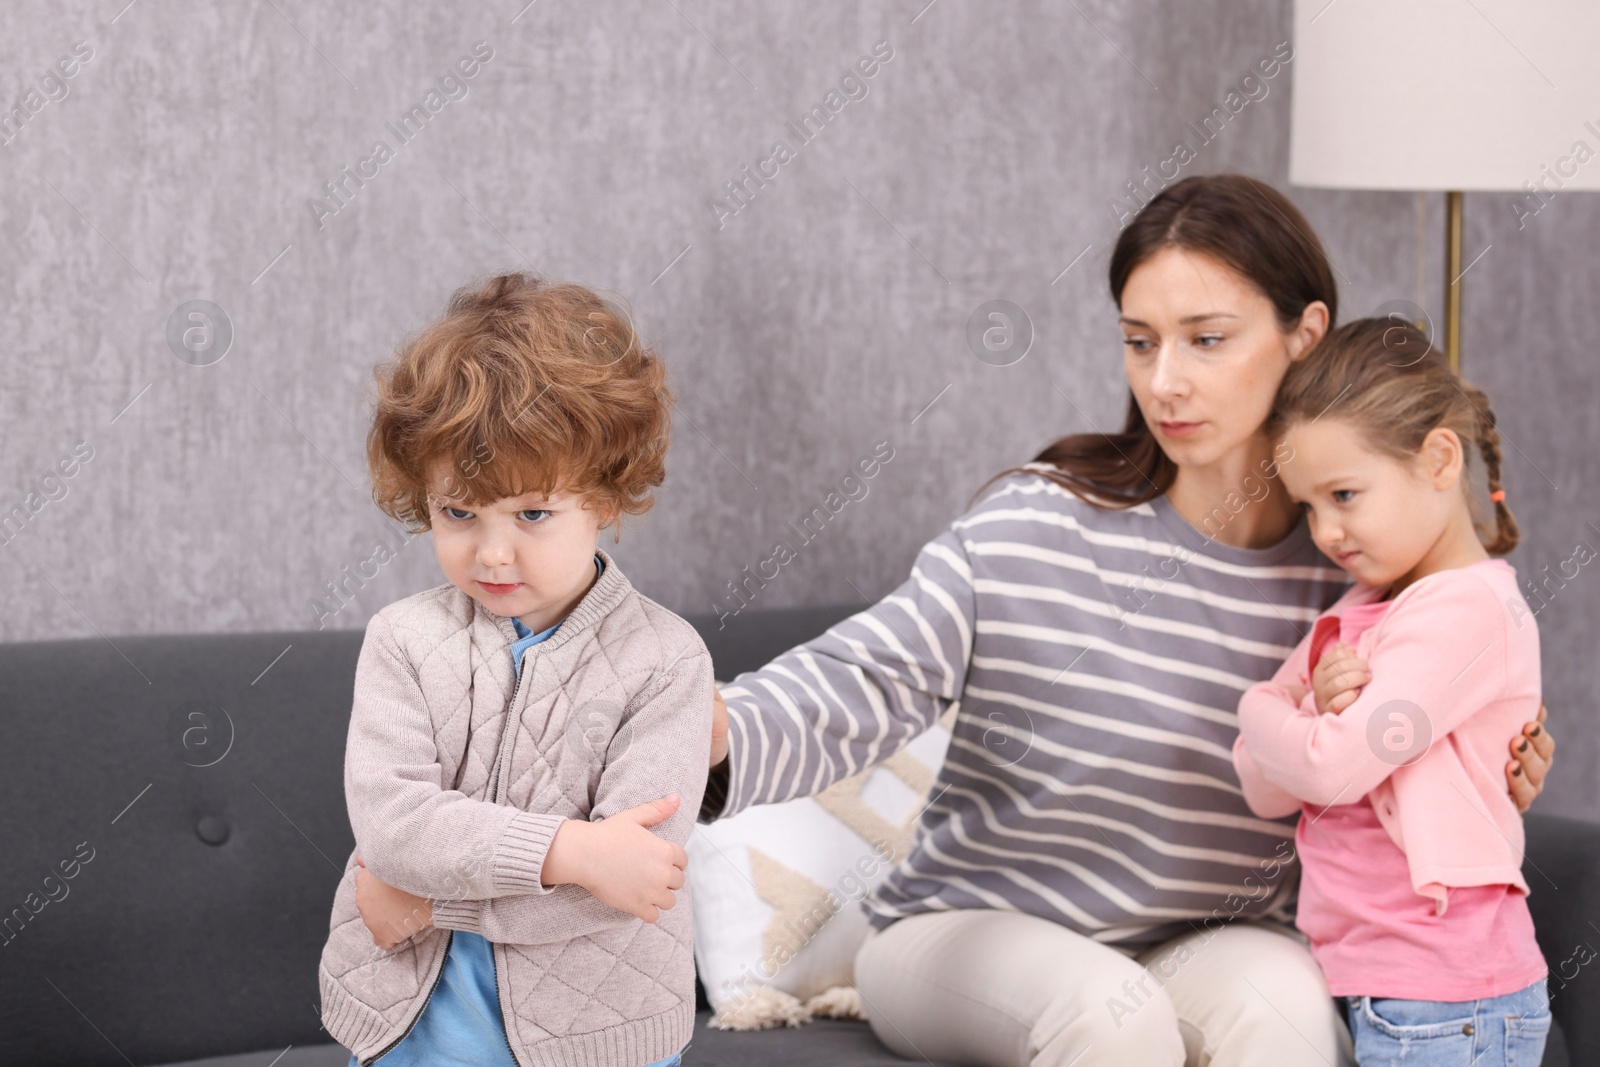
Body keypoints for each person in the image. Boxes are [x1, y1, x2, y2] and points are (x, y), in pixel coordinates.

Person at [696, 174, 1556, 1066]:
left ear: (1305, 335)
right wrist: (713, 726)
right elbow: (869, 678)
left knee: (1286, 1013)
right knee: (1113, 1017)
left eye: (1207, 340)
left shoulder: (1350, 572)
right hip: (965, 931)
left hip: (1208, 937)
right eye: (1139, 343)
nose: (1165, 381)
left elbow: (1426, 716)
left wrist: (1482, 763)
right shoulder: (1038, 524)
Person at [317, 273, 714, 1067]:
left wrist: (427, 898)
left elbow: (630, 885)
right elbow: (394, 827)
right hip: (414, 1032)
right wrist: (572, 850)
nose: (492, 552)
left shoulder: (669, 662)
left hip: (603, 1039)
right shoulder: (403, 639)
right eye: (458, 511)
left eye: (533, 513)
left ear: (604, 497)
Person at [1233, 318, 1549, 1065]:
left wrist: (1260, 706)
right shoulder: (1358, 610)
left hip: (1450, 996)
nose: (1327, 530)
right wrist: (1306, 711)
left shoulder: (1467, 611)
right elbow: (1259, 783)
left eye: (1344, 493)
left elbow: (1325, 767)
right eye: (1310, 506)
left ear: (1440, 459)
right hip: (1381, 982)